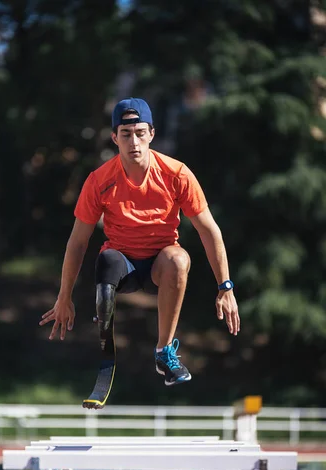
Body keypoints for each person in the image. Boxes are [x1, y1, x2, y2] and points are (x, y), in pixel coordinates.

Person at [40, 97, 240, 390]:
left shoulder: (176, 174)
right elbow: (77, 242)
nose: (134, 142)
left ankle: (164, 353)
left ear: (151, 134)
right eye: (126, 134)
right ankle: (106, 342)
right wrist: (64, 296)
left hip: (160, 267)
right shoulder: (99, 181)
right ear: (114, 138)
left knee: (179, 259)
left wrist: (225, 286)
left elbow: (209, 230)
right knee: (106, 259)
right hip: (122, 266)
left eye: (140, 133)